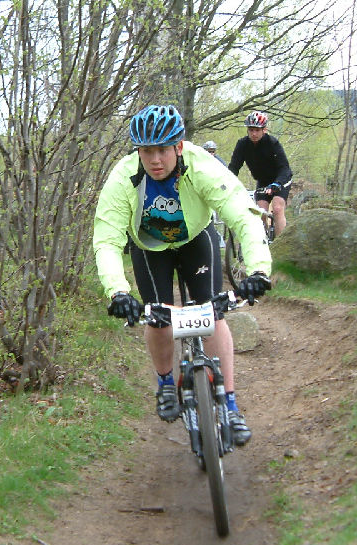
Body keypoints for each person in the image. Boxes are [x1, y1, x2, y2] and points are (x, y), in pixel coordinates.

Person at [93, 105, 272, 446]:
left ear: (179, 146)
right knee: (157, 316)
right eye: (147, 151)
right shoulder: (124, 177)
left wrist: (259, 269)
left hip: (195, 241)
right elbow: (106, 238)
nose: (155, 159)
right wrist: (117, 291)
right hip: (150, 248)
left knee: (212, 312)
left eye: (163, 149)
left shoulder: (202, 166)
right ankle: (164, 383)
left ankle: (231, 406)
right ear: (138, 151)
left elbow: (241, 213)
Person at [228, 110, 293, 235]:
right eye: (251, 130)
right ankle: (264, 242)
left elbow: (284, 167)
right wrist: (227, 183)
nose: (254, 133)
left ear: (264, 130)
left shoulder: (272, 143)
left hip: (281, 179)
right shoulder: (242, 145)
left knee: (277, 208)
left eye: (257, 130)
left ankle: (280, 247)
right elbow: (234, 167)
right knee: (260, 212)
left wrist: (277, 184)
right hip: (263, 181)